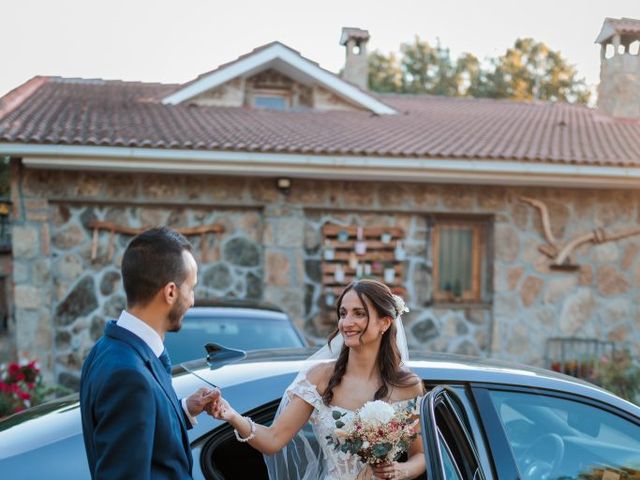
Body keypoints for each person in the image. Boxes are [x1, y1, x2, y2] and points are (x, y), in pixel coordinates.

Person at [208, 279, 426, 480]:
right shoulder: (320, 378)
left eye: (358, 313)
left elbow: (422, 456)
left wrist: (400, 470)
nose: (346, 322)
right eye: (343, 313)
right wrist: (233, 416)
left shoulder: (407, 387)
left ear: (384, 323)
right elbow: (273, 439)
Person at [80, 227, 219, 479]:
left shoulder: (110, 348)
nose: (193, 301)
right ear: (170, 292)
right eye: (191, 288)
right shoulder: (128, 375)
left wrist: (185, 409)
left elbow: (144, 428)